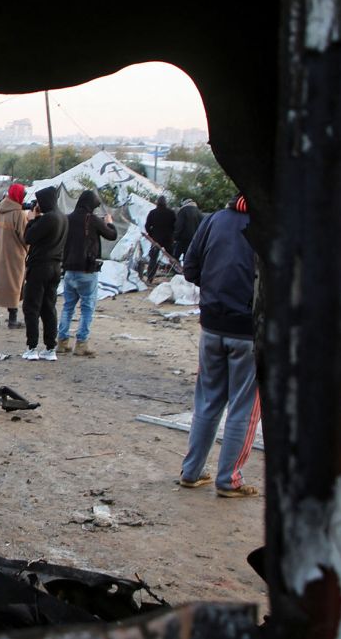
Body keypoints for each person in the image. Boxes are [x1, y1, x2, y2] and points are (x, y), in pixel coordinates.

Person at [178, 193, 260, 498]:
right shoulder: (271, 225)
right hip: (249, 331)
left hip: (211, 326)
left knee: (208, 401)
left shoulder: (213, 220)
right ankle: (229, 480)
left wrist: (215, 289)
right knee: (244, 407)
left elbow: (190, 268)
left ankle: (192, 472)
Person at [57, 189, 117, 357]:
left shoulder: (68, 218)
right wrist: (109, 222)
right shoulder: (93, 220)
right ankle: (81, 343)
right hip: (87, 270)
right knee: (87, 308)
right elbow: (111, 235)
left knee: (68, 307)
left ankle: (62, 342)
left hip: (69, 270)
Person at [20, 186, 67, 360]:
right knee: (49, 307)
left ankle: (32, 347)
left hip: (40, 267)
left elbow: (28, 238)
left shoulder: (48, 219)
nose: (37, 205)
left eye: (39, 201)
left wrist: (31, 220)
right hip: (56, 267)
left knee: (31, 306)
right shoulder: (62, 217)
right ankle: (50, 348)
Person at [0, 184, 29, 328]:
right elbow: (25, 238)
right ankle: (12, 319)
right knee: (13, 286)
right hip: (14, 257)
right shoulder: (18, 214)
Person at [144, 195, 177, 283]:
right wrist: (172, 236)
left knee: (153, 259)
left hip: (156, 239)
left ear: (157, 203)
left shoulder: (152, 212)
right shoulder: (171, 213)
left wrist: (151, 234)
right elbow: (175, 226)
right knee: (172, 258)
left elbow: (147, 226)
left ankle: (149, 278)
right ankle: (176, 277)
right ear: (166, 203)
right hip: (168, 239)